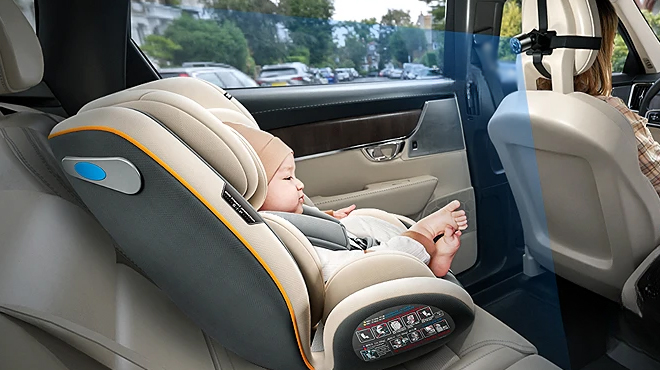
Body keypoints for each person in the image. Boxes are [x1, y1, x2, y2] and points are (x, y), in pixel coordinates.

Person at [225, 121, 468, 281]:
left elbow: (303, 226)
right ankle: (425, 236)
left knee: (363, 222)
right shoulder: (276, 242)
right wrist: (422, 231)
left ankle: (429, 267)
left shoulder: (275, 221)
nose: (300, 184)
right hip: (351, 277)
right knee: (396, 250)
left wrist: (326, 219)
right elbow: (334, 270)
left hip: (342, 249)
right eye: (288, 177)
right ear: (251, 191)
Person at [537, 0, 660, 196]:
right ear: (599, 47)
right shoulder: (611, 114)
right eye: (612, 40)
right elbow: (657, 178)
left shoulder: (531, 107)